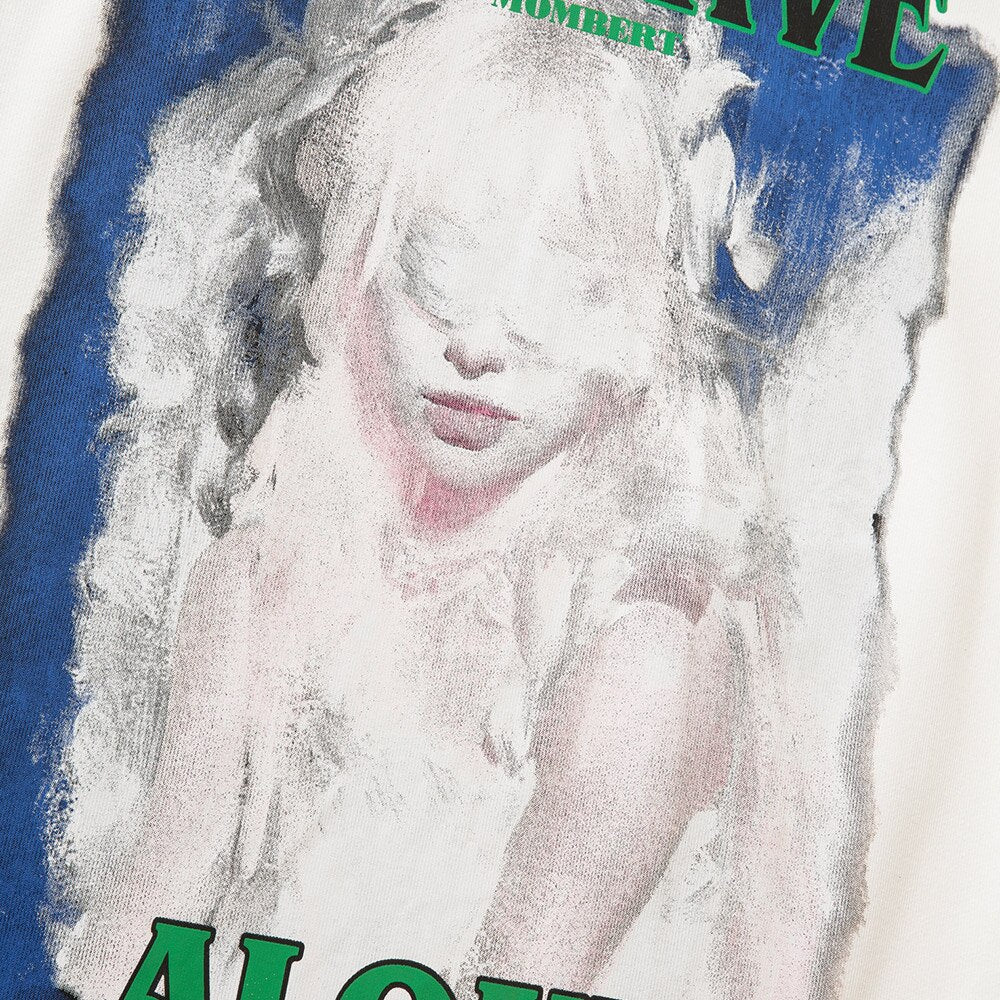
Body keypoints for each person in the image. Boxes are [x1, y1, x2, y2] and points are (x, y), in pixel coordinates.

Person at [50, 2, 930, 998]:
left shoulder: (643, 652)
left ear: (639, 329)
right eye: (436, 268)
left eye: (555, 290)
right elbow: (140, 924)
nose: (475, 347)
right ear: (356, 271)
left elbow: (527, 976)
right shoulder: (253, 582)